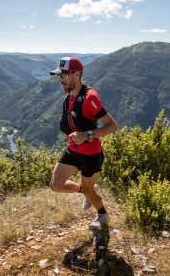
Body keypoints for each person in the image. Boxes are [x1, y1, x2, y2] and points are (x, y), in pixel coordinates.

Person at [48, 57, 118, 230]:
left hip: (91, 154)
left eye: (63, 76)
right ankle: (86, 191)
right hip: (73, 149)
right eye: (59, 76)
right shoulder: (69, 93)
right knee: (56, 186)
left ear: (77, 75)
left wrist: (88, 135)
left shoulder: (90, 97)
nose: (60, 81)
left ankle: (102, 213)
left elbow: (112, 126)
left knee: (90, 191)